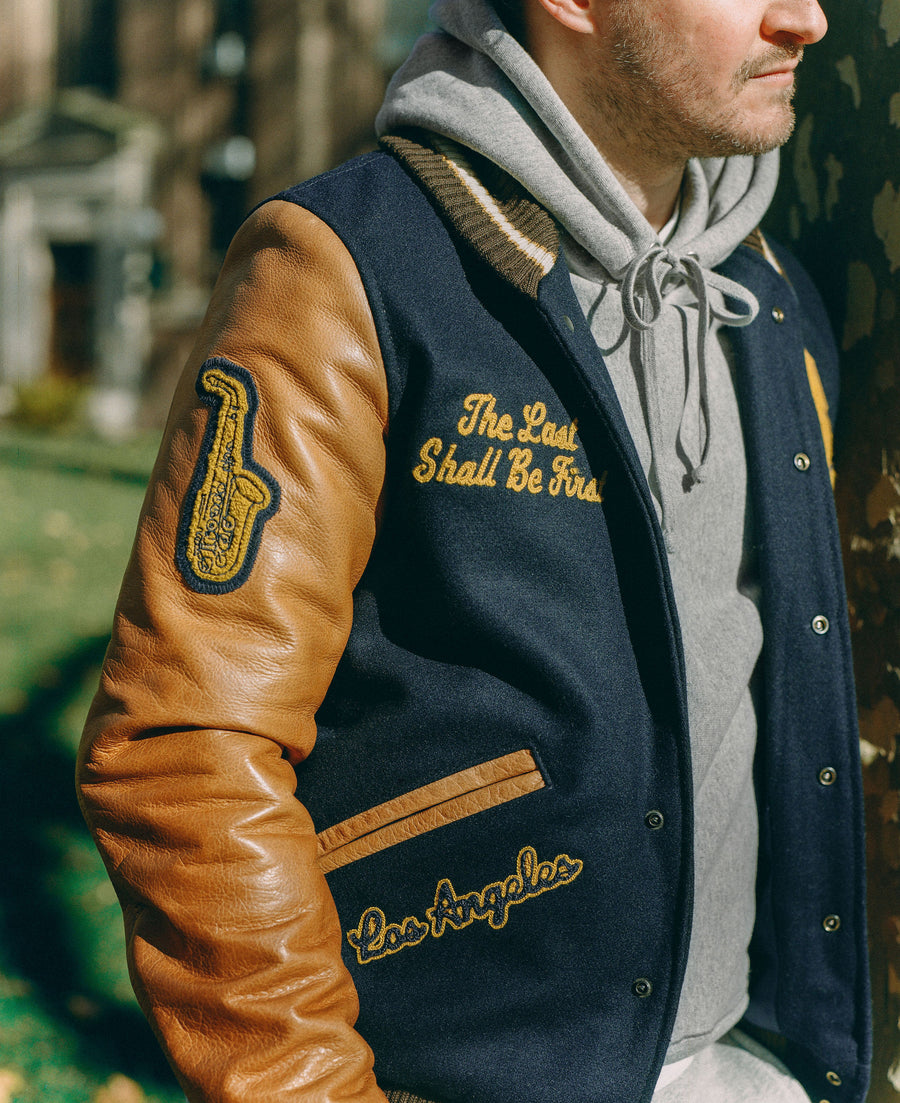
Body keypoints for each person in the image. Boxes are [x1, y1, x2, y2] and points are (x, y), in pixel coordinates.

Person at [76, 0, 872, 1100]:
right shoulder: (349, 266)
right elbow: (185, 740)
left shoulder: (775, 296)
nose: (808, 19)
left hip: (749, 1061)